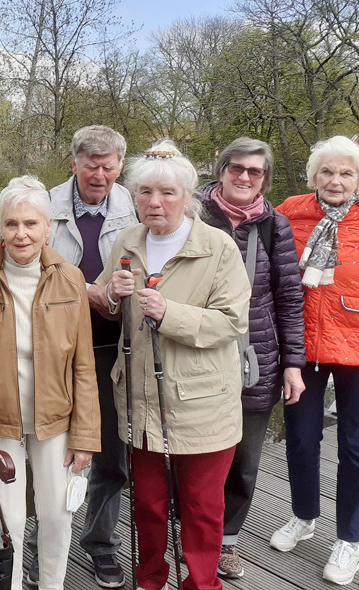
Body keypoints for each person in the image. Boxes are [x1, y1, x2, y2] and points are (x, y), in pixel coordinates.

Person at [93, 142, 250, 590]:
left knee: (201, 507)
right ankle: (151, 580)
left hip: (202, 405)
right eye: (143, 192)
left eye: (166, 193)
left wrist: (169, 312)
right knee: (147, 503)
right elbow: (107, 305)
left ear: (188, 196)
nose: (154, 202)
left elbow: (232, 321)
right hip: (140, 399)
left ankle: (202, 583)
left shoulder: (218, 247)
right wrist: (111, 296)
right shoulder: (127, 240)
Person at [0, 175, 100, 590]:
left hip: (55, 417)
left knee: (56, 514)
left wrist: (86, 435)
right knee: (7, 519)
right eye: (12, 224)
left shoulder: (70, 278)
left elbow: (84, 363)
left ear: (48, 227)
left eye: (31, 224)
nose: (21, 234)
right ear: (0, 226)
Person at [270, 135, 359, 586]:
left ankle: (349, 541)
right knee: (302, 439)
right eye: (327, 171)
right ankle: (303, 516)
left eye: (346, 173)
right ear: (313, 176)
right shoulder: (290, 211)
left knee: (356, 445)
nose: (336, 180)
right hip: (302, 347)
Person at [197, 137, 306, 579]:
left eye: (255, 172)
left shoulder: (274, 226)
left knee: (245, 460)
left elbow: (289, 297)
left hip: (254, 359)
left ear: (264, 178)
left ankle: (226, 541)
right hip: (197, 354)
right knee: (195, 454)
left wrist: (293, 363)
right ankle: (190, 531)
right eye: (236, 168)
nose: (244, 177)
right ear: (221, 169)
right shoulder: (194, 215)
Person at [43, 124, 137, 588]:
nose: (99, 174)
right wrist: (88, 290)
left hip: (116, 347)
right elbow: (31, 261)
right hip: (57, 347)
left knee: (112, 455)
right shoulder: (44, 206)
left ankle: (101, 543)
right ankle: (48, 544)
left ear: (120, 165)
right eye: (90, 164)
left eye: (108, 165)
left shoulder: (137, 206)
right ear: (74, 162)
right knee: (54, 451)